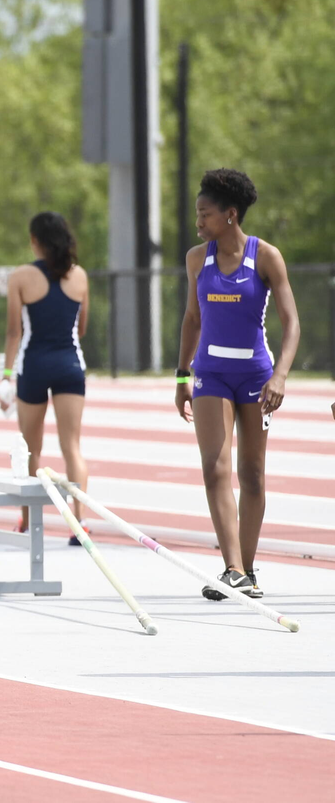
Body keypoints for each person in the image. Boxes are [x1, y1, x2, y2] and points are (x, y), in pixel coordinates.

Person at [176, 169, 300, 601]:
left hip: (256, 377)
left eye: (205, 215)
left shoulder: (266, 257)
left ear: (231, 215)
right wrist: (181, 374)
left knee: (253, 474)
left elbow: (291, 323)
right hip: (210, 374)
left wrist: (280, 375)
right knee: (215, 468)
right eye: (197, 215)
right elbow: (192, 320)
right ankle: (231, 568)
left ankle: (247, 569)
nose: (199, 223)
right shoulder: (197, 258)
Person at [0, 213, 90, 540]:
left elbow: (13, 332)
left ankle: (26, 521)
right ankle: (78, 523)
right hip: (69, 363)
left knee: (31, 449)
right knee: (72, 447)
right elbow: (81, 328)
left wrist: (6, 376)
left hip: (33, 364)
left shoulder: (21, 276)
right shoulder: (79, 276)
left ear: (35, 240)